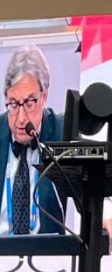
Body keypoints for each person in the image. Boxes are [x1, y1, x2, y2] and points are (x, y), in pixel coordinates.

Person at [0, 45, 64, 236]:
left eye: (29, 103)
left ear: (44, 97)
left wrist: (107, 209)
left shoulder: (62, 133)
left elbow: (96, 172)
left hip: (48, 251)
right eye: (13, 104)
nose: (21, 118)